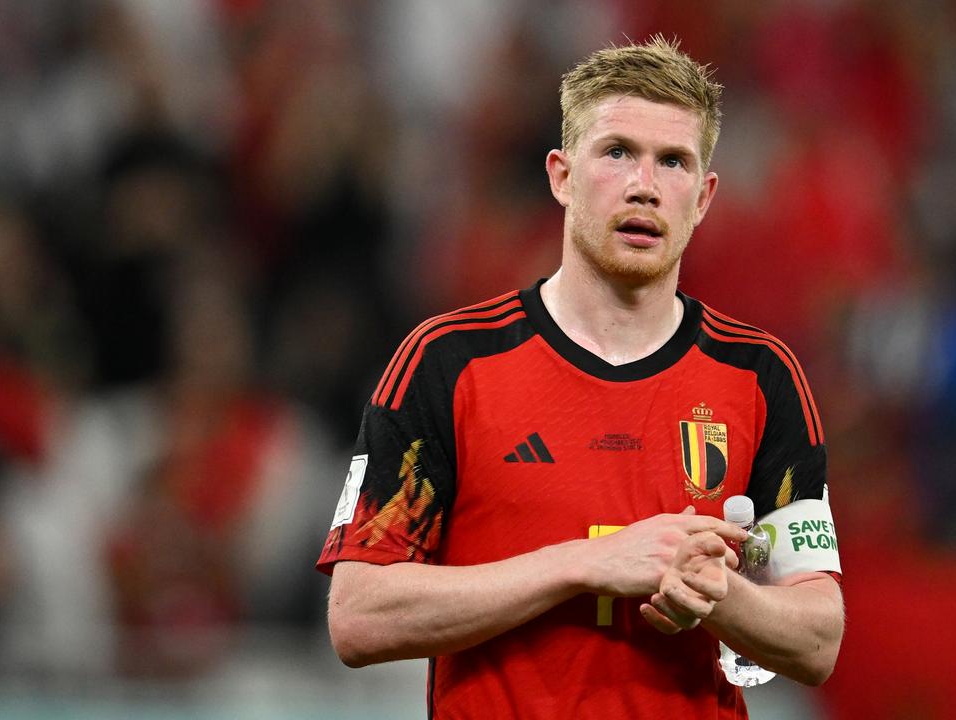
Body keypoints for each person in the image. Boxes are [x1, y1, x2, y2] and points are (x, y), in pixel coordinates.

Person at [317, 36, 844, 719]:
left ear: (704, 196)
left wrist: (719, 595)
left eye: (674, 162)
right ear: (562, 175)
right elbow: (357, 617)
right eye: (617, 151)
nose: (644, 186)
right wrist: (583, 563)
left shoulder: (760, 375)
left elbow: (819, 638)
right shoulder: (447, 362)